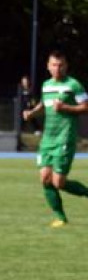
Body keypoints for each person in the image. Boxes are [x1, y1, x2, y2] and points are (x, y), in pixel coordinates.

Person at [21, 51, 88, 227]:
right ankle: (61, 218)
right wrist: (32, 113)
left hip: (64, 138)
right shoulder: (46, 85)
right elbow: (45, 104)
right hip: (47, 139)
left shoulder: (74, 85)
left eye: (61, 65)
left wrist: (65, 107)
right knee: (44, 178)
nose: (57, 68)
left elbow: (86, 107)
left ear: (66, 66)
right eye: (54, 65)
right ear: (48, 66)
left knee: (58, 182)